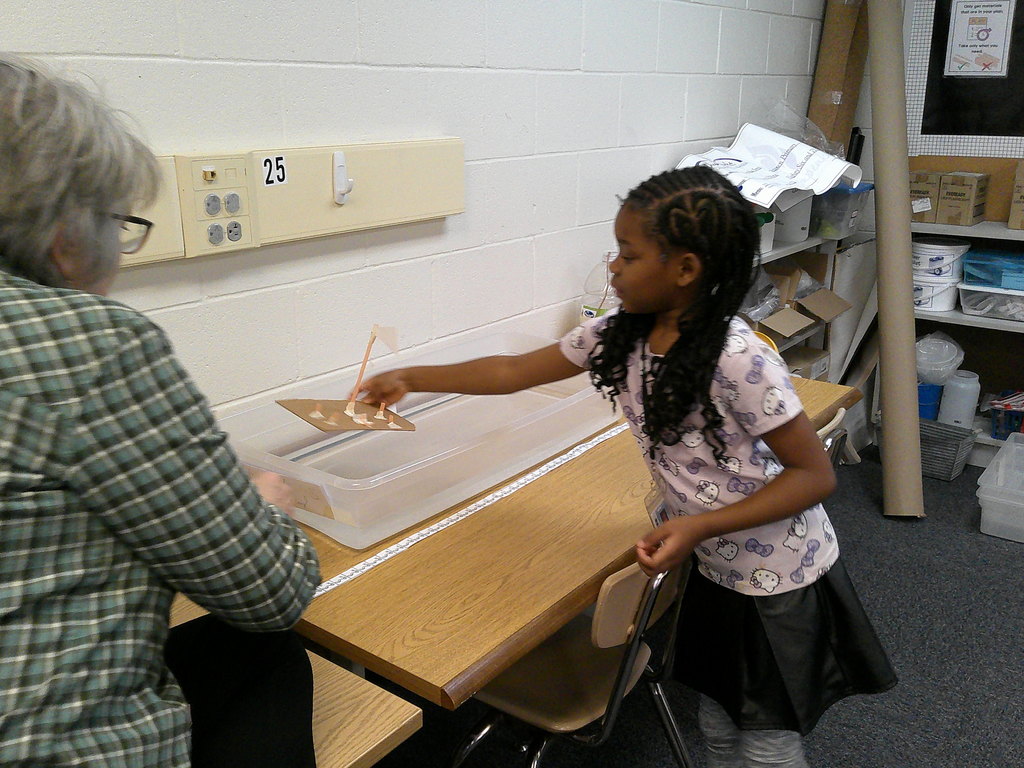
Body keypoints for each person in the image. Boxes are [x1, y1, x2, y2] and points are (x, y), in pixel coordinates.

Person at [357, 166, 896, 767]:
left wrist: (696, 526)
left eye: (629, 254)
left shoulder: (739, 359)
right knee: (717, 725)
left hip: (779, 574)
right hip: (713, 566)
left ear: (685, 269)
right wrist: (412, 377)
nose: (613, 266)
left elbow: (814, 476)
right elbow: (511, 373)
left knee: (767, 743)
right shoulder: (620, 336)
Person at [0, 55, 321, 767]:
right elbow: (271, 590)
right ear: (66, 238)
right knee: (267, 648)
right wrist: (262, 503)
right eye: (121, 223)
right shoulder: (88, 344)